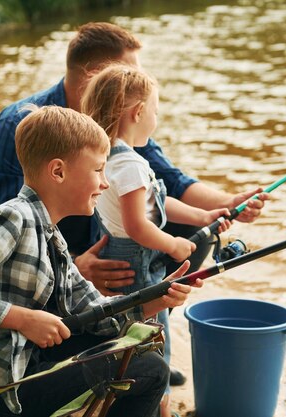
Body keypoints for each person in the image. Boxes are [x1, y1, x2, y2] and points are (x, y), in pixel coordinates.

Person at [0, 105, 202, 417]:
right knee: (150, 369)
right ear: (58, 171)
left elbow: (95, 312)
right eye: (98, 170)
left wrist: (158, 297)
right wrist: (22, 319)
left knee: (128, 345)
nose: (106, 183)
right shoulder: (13, 218)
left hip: (22, 367)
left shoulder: (51, 235)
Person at [0, 21, 269, 296]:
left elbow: (171, 181)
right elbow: (6, 222)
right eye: (128, 74)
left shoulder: (120, 124)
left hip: (106, 233)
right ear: (96, 76)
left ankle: (154, 299)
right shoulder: (21, 123)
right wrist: (74, 265)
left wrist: (227, 204)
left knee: (193, 228)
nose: (138, 82)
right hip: (52, 246)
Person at [81, 63, 232, 416]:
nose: (156, 119)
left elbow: (156, 202)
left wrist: (204, 217)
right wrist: (173, 245)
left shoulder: (108, 158)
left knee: (126, 344)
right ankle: (159, 410)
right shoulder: (131, 165)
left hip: (120, 256)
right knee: (152, 342)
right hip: (138, 265)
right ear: (138, 112)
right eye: (155, 111)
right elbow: (138, 224)